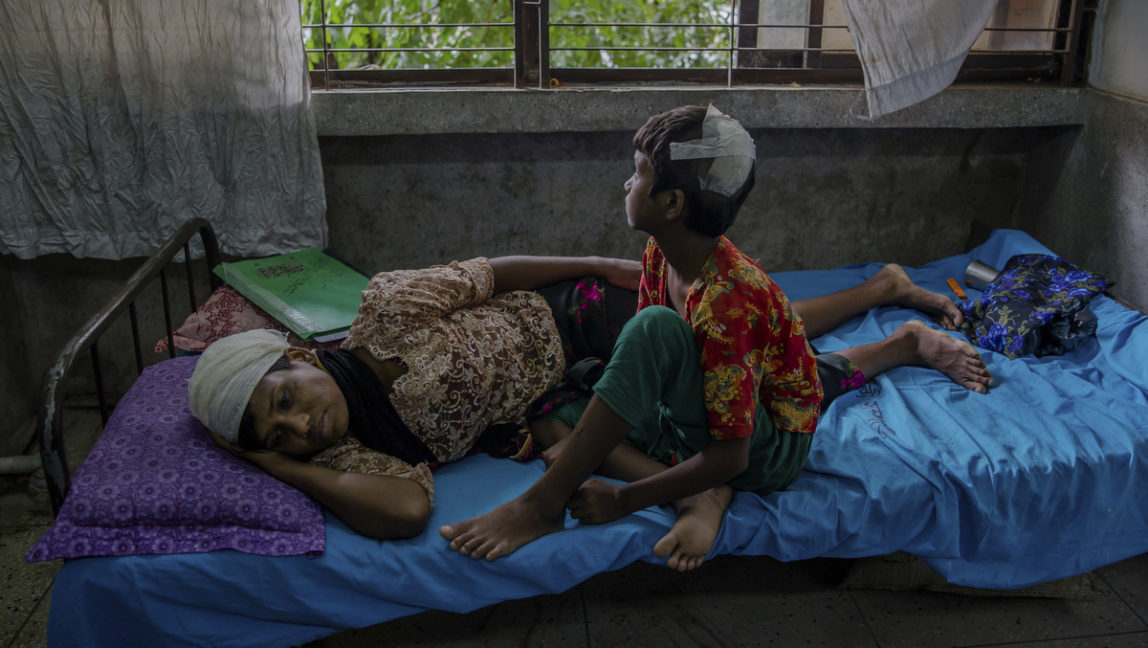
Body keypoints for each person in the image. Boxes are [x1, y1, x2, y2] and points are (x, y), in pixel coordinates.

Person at [439, 105, 992, 569]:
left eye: (637, 174)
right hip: (725, 404)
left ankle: (546, 504)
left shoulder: (730, 301)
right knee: (554, 416)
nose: (627, 183)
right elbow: (662, 371)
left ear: (673, 203)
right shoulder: (663, 252)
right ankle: (904, 344)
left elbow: (732, 454)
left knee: (669, 350)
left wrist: (625, 498)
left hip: (760, 453)